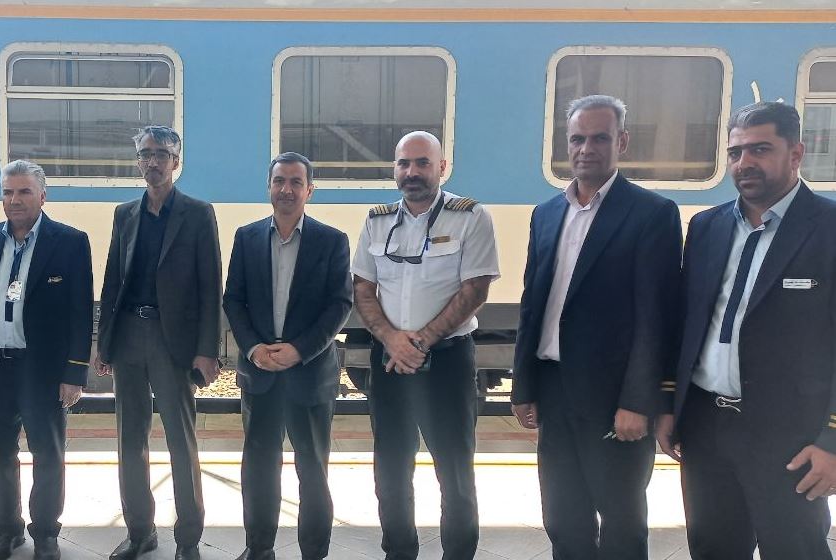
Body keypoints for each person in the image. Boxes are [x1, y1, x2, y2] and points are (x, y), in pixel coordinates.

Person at [656, 101, 836, 560]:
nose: (744, 162)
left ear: (796, 153)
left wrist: (833, 440)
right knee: (713, 550)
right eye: (735, 152)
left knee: (795, 550)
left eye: (760, 149)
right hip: (706, 428)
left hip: (791, 438)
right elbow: (684, 326)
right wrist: (669, 404)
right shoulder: (707, 227)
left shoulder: (829, 229)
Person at [510, 95, 683, 560]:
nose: (586, 148)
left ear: (622, 141)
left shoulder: (652, 214)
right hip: (553, 389)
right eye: (577, 139)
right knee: (563, 520)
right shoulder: (546, 213)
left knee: (622, 525)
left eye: (599, 138)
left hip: (613, 399)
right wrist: (523, 386)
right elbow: (532, 306)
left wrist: (638, 402)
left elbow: (656, 318)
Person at [352, 130, 499, 560]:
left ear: (442, 168)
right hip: (390, 360)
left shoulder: (471, 217)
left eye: (422, 163)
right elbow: (363, 289)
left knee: (454, 471)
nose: (412, 172)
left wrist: (420, 341)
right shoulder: (377, 220)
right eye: (404, 163)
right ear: (395, 169)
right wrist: (391, 339)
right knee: (391, 470)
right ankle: (399, 552)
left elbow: (475, 290)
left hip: (447, 359)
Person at [0, 160, 93, 560]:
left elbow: (80, 311)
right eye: (8, 192)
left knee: (47, 453)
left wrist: (75, 372)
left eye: (24, 191)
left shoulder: (69, 241)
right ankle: (7, 530)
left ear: (42, 196)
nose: (14, 200)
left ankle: (45, 532)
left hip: (41, 369)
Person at [95, 125, 222, 560]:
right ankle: (140, 533)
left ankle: (188, 539)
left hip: (174, 343)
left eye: (161, 154)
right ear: (138, 162)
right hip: (129, 334)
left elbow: (211, 285)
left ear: (176, 161)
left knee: (180, 441)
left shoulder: (198, 213)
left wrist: (207, 349)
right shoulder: (125, 214)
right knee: (129, 440)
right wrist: (104, 342)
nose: (153, 161)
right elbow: (113, 279)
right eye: (146, 154)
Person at [222, 152, 352, 560]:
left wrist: (300, 350)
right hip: (260, 371)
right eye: (279, 181)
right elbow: (233, 299)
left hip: (309, 373)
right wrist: (253, 348)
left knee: (312, 470)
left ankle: (313, 552)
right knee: (259, 469)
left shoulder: (332, 241)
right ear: (269, 187)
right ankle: (259, 549)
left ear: (310, 190)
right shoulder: (246, 237)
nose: (287, 189)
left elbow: (340, 304)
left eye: (296, 182)